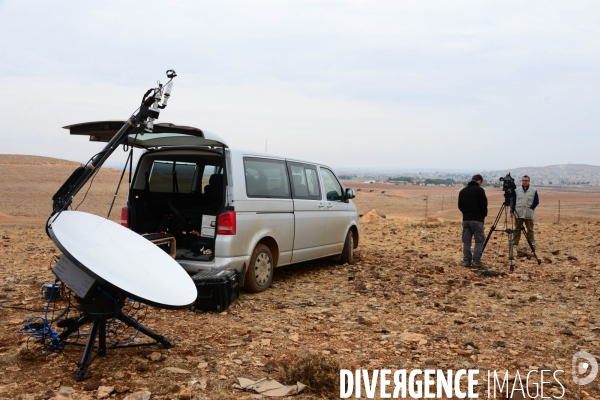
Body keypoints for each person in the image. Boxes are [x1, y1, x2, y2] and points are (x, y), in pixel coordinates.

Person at [458, 174, 488, 267]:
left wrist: (466, 213)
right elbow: (484, 205)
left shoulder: (463, 191)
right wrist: (483, 215)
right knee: (479, 241)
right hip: (477, 220)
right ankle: (476, 261)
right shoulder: (480, 190)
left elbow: (460, 206)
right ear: (479, 181)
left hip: (466, 219)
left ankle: (467, 261)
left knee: (467, 241)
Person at [510, 175, 539, 250]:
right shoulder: (517, 190)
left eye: (526, 180)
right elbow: (513, 201)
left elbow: (536, 201)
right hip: (518, 213)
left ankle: (531, 242)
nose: (524, 182)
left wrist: (531, 208)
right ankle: (515, 241)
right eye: (523, 180)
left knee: (530, 229)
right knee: (517, 228)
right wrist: (512, 211)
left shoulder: (533, 190)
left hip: (528, 214)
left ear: (529, 181)